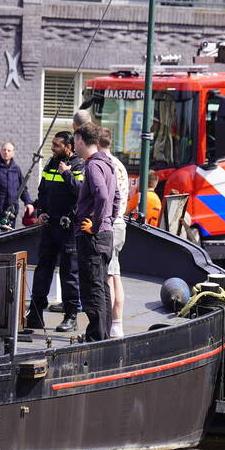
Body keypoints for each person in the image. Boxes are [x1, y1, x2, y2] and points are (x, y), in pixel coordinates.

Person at [26, 131, 83, 332]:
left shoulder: (78, 165)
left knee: (69, 274)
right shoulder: (50, 164)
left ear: (69, 147)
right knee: (43, 270)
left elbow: (81, 192)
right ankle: (35, 313)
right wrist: (40, 212)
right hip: (50, 226)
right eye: (53, 145)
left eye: (57, 145)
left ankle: (71, 316)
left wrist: (66, 173)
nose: (53, 148)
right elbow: (42, 192)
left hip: (68, 228)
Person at [74, 123, 119, 342]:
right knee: (102, 286)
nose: (74, 145)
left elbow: (102, 195)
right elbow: (116, 198)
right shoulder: (108, 164)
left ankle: (96, 338)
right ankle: (104, 335)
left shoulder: (92, 166)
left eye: (75, 141)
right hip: (106, 234)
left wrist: (95, 223)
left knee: (92, 288)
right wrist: (108, 220)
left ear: (81, 139)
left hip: (92, 236)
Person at [99, 128, 129, 339]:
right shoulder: (120, 165)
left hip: (110, 225)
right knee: (115, 275)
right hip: (121, 223)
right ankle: (116, 324)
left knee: (108, 276)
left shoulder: (105, 165)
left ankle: (111, 324)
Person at [0, 142, 34, 227]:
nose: (6, 152)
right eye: (4, 150)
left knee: (9, 238)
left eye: (9, 150)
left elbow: (22, 188)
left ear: (13, 153)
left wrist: (28, 202)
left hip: (11, 213)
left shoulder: (16, 169)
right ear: (0, 151)